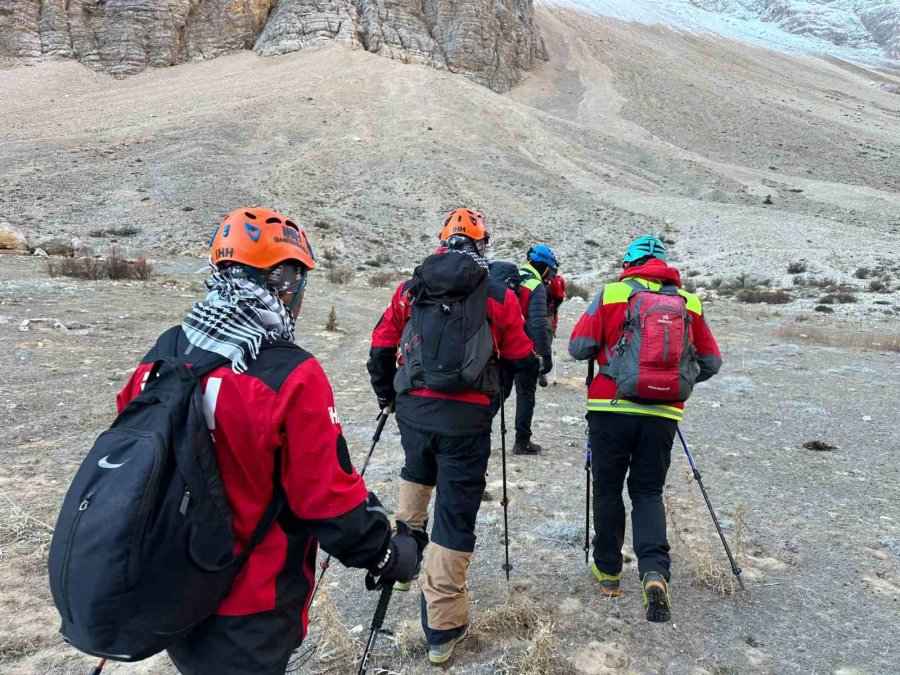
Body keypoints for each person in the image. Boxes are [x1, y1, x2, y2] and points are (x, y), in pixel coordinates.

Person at [116, 208, 418, 675]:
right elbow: (327, 503)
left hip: (172, 585)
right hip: (251, 606)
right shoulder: (292, 374)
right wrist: (386, 552)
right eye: (299, 283)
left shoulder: (168, 349)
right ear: (286, 284)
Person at [367, 208, 535, 664]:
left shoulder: (411, 287)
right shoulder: (498, 293)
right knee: (455, 516)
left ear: (442, 241)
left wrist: (389, 397)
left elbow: (381, 346)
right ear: (482, 244)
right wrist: (494, 395)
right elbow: (522, 356)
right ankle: (441, 630)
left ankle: (402, 565)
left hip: (414, 412)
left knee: (415, 477)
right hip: (466, 421)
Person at [568, 235, 721, 623]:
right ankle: (654, 573)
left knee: (607, 488)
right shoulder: (689, 301)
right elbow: (711, 362)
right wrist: (673, 382)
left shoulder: (613, 293)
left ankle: (608, 572)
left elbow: (579, 346)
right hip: (663, 413)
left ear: (628, 263)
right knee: (648, 491)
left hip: (609, 406)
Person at [510, 244, 558, 454]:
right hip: (524, 351)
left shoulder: (511, 278)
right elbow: (538, 325)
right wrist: (546, 356)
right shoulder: (535, 285)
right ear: (545, 267)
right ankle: (522, 442)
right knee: (526, 394)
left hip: (501, 349)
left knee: (494, 399)